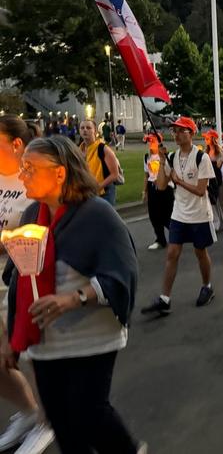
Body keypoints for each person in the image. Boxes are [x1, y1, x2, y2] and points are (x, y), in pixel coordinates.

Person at [8, 135, 142, 453]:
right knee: (62, 424)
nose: (22, 174)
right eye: (22, 167)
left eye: (31, 167)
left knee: (90, 415)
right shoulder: (31, 216)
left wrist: (74, 298)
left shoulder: (97, 215)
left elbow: (123, 274)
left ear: (60, 172)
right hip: (45, 344)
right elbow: (18, 280)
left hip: (91, 338)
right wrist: (9, 333)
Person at [0, 116, 55, 454]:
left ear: (16, 144)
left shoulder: (33, 179)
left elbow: (45, 234)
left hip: (21, 279)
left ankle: (47, 422)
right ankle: (29, 411)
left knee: (28, 352)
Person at [141, 117, 216, 315]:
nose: (176, 134)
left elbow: (201, 191)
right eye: (174, 131)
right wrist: (163, 161)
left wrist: (179, 181)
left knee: (200, 252)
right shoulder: (172, 157)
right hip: (179, 213)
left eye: (181, 130)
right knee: (172, 253)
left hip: (199, 213)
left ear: (191, 133)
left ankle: (207, 286)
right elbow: (161, 185)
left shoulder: (202, 158)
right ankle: (165, 298)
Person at [143, 133, 174, 250]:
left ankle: (177, 233)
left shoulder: (166, 156)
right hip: (152, 187)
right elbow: (146, 175)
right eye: (150, 142)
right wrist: (144, 191)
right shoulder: (147, 157)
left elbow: (171, 173)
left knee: (167, 214)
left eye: (153, 142)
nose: (151, 145)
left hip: (166, 187)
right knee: (154, 215)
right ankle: (160, 239)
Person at [78, 120, 120, 206]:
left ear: (95, 131)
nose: (85, 130)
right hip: (87, 193)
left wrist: (98, 187)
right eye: (82, 128)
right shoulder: (79, 150)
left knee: (105, 218)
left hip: (105, 192)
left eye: (88, 128)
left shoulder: (103, 148)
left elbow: (115, 174)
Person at [203, 130, 223, 232]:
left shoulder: (219, 150)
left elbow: (219, 165)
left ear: (213, 139)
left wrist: (215, 162)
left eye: (207, 138)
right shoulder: (205, 151)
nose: (206, 140)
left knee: (222, 200)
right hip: (209, 178)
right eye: (205, 138)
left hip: (217, 178)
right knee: (212, 201)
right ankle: (215, 223)